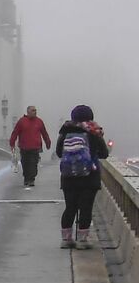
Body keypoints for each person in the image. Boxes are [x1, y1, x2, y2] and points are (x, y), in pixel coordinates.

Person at [56, 105, 111, 249]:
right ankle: (82, 241)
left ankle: (66, 239)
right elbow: (104, 153)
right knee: (85, 208)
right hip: (89, 176)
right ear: (90, 116)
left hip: (68, 176)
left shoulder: (65, 130)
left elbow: (58, 153)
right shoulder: (93, 131)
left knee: (70, 207)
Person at [10, 105, 52, 189]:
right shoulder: (22, 121)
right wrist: (12, 143)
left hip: (35, 147)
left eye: (35, 110)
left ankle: (31, 179)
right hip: (24, 147)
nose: (35, 112)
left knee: (33, 163)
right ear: (28, 112)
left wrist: (48, 143)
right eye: (33, 110)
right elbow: (15, 132)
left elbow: (44, 133)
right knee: (25, 163)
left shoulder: (39, 121)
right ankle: (26, 177)